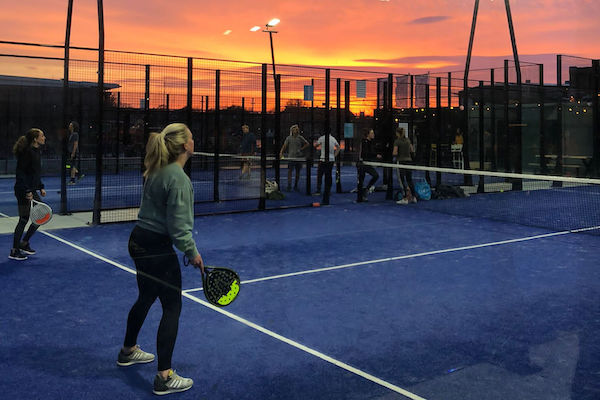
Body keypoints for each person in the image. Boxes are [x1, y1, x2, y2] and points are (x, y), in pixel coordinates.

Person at [118, 123, 204, 396]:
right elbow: (179, 228)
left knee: (145, 297)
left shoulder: (158, 170)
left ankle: (128, 350)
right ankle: (164, 377)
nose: (194, 139)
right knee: (172, 307)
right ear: (183, 146)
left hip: (139, 241)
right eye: (191, 136)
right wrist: (192, 253)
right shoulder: (178, 178)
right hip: (156, 248)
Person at [9, 128, 47, 261]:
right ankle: (14, 250)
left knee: (40, 216)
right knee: (24, 219)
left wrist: (40, 186)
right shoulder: (27, 153)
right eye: (42, 136)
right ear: (35, 139)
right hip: (23, 190)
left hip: (31, 190)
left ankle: (24, 243)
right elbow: (21, 173)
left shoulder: (37, 151)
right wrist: (27, 191)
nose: (44, 137)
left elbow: (34, 172)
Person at [279, 124, 309, 191]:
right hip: (291, 157)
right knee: (290, 171)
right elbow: (284, 146)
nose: (297, 130)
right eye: (295, 129)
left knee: (298, 172)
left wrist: (301, 149)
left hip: (298, 157)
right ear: (292, 130)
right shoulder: (289, 138)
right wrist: (281, 153)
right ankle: (289, 185)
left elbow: (307, 143)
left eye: (297, 129)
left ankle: (295, 185)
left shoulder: (300, 137)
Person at [392, 127, 417, 204]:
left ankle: (405, 198)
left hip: (401, 162)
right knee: (409, 179)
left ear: (397, 133)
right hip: (409, 161)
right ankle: (413, 197)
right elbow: (412, 150)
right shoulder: (408, 140)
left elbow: (395, 153)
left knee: (402, 180)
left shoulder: (397, 141)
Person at [358, 129, 382, 200]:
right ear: (368, 134)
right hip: (362, 164)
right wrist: (375, 155)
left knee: (375, 176)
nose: (373, 134)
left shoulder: (371, 142)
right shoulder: (364, 142)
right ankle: (361, 196)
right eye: (372, 133)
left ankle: (366, 190)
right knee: (361, 180)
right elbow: (366, 153)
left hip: (367, 163)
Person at [314, 132, 340, 197]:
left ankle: (318, 190)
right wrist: (334, 156)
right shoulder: (333, 138)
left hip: (323, 159)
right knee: (328, 175)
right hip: (331, 160)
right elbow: (338, 147)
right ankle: (328, 190)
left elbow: (316, 145)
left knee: (320, 175)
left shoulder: (322, 138)